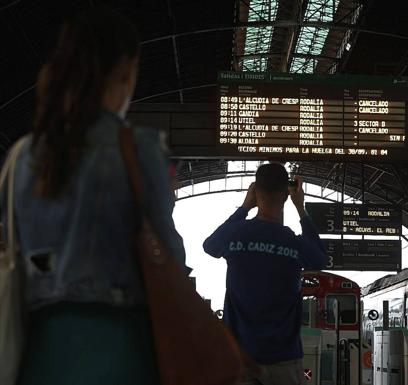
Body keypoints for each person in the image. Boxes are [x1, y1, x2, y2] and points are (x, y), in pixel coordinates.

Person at [2, 8, 186, 385]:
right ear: (126, 70)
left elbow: (19, 252)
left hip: (40, 353)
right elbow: (168, 255)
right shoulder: (138, 150)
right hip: (121, 350)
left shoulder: (21, 157)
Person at [203, 163, 328, 385]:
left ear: (255, 191)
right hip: (284, 359)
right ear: (286, 196)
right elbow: (320, 258)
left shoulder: (236, 234)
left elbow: (210, 246)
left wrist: (243, 208)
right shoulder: (292, 242)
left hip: (241, 358)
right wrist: (301, 208)